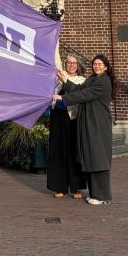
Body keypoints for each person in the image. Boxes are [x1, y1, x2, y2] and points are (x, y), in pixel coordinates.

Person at [53, 53, 115, 205]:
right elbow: (79, 88)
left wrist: (63, 98)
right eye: (95, 64)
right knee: (89, 157)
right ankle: (95, 194)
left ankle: (102, 196)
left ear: (106, 67)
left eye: (100, 64)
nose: (97, 66)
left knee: (98, 159)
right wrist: (65, 80)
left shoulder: (103, 82)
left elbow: (84, 95)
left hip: (97, 124)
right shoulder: (92, 79)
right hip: (89, 123)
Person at [46, 53, 86, 199]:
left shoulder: (81, 80)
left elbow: (78, 94)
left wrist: (65, 79)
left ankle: (76, 188)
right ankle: (60, 187)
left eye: (74, 63)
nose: (71, 65)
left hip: (73, 119)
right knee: (58, 151)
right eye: (69, 62)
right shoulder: (57, 79)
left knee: (74, 152)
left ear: (78, 66)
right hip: (58, 117)